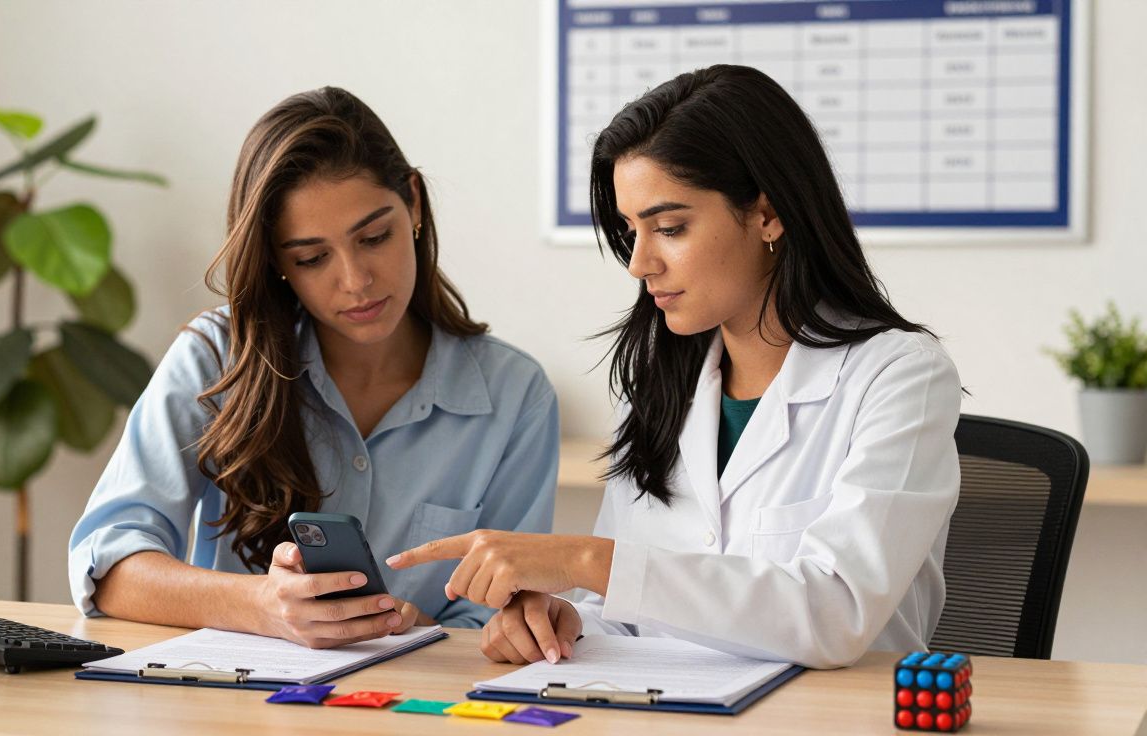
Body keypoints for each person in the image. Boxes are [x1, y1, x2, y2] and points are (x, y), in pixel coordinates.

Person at [388, 65, 961, 669]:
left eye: (669, 227)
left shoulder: (900, 377)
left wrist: (584, 561)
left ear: (767, 214)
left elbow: (835, 613)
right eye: (630, 230)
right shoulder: (660, 385)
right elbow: (627, 610)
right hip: (673, 705)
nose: (639, 263)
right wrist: (567, 620)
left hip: (833, 710)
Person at [68, 87, 558, 649]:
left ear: (414, 204)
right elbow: (109, 566)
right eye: (311, 257)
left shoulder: (516, 396)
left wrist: (410, 626)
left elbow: (502, 621)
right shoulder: (215, 357)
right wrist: (263, 606)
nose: (355, 280)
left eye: (374, 237)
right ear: (276, 260)